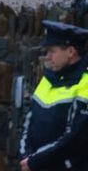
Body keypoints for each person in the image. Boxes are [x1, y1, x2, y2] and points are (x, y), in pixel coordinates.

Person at [19, 21, 88, 171]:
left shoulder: (85, 83)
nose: (47, 57)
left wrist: (35, 161)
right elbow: (29, 119)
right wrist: (25, 155)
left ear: (70, 52)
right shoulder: (49, 78)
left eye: (52, 51)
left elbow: (74, 137)